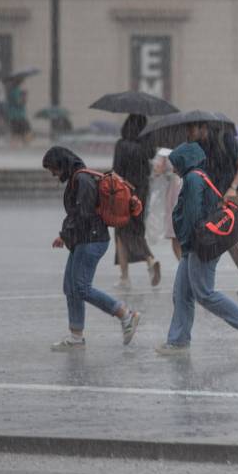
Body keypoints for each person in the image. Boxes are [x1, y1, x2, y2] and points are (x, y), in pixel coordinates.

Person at [154, 142, 238, 356]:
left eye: (175, 164)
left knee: (204, 293)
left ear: (184, 162)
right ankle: (178, 341)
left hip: (199, 244)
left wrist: (186, 239)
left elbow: (193, 215)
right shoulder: (199, 175)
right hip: (196, 243)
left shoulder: (193, 179)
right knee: (182, 292)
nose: (173, 169)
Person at [42, 146, 140, 351]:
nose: (53, 173)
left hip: (91, 240)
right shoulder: (78, 178)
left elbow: (83, 214)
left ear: (62, 163)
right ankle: (76, 336)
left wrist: (64, 234)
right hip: (83, 239)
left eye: (53, 168)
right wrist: (66, 236)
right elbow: (79, 214)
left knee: (81, 287)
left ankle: (124, 313)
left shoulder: (82, 180)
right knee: (71, 287)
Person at [188, 121, 238, 295]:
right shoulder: (200, 144)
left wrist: (233, 187)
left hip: (230, 193)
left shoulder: (226, 139)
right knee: (223, 235)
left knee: (222, 233)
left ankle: (206, 281)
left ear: (203, 127)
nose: (190, 132)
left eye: (193, 129)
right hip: (213, 195)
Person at [112, 113, 161, 289]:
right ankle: (128, 275)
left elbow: (116, 172)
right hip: (142, 193)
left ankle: (146, 261)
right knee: (135, 229)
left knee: (122, 232)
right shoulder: (146, 147)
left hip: (124, 192)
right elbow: (150, 170)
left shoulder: (121, 145)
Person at [153, 148, 184, 260]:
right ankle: (186, 265)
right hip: (187, 187)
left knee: (175, 235)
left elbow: (157, 171)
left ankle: (182, 264)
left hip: (173, 190)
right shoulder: (189, 147)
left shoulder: (165, 152)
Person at [5, 76, 31, 147]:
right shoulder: (16, 91)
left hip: (14, 116)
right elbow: (19, 102)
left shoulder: (12, 90)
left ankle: (15, 146)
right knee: (24, 132)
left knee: (17, 133)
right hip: (18, 116)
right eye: (23, 82)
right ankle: (24, 146)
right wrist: (24, 95)